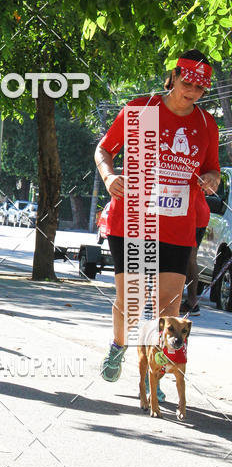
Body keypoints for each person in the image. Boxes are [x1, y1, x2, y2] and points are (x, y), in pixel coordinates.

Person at [94, 50, 220, 384]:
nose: (192, 92)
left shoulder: (206, 124)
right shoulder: (142, 110)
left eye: (200, 88)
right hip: (133, 219)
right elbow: (104, 149)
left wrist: (211, 179)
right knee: (132, 300)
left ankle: (156, 372)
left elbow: (212, 170)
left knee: (169, 305)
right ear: (174, 77)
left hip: (178, 224)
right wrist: (109, 177)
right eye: (188, 83)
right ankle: (118, 346)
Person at [180, 183, 211, 316]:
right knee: (189, 257)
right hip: (200, 212)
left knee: (187, 257)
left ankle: (191, 302)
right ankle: (189, 301)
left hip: (191, 212)